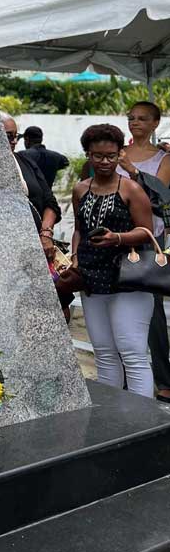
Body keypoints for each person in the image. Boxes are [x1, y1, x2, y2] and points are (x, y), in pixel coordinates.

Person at [72, 123, 155, 397]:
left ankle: (142, 422)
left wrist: (116, 238)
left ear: (120, 154)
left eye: (111, 155)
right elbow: (78, 230)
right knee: (104, 353)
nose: (105, 161)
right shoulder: (80, 189)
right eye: (98, 155)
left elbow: (147, 232)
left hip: (128, 279)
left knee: (133, 355)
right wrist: (74, 257)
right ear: (88, 155)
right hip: (91, 277)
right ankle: (113, 420)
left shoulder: (131, 189)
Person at [116, 101, 170, 402]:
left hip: (150, 237)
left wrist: (131, 170)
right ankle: (124, 377)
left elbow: (159, 197)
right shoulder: (117, 151)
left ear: (154, 123)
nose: (135, 123)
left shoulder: (163, 158)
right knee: (120, 307)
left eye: (142, 119)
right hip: (117, 238)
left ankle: (163, 379)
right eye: (131, 118)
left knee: (152, 312)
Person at [1, 114, 61, 262]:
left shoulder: (25, 162)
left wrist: (46, 234)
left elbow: (50, 202)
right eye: (9, 137)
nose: (14, 141)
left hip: (36, 246)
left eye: (16, 136)